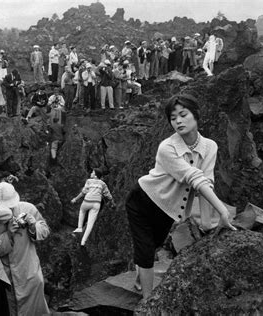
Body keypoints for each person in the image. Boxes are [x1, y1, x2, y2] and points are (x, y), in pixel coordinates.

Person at [126, 93, 237, 299]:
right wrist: (222, 211)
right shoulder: (167, 147)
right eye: (173, 117)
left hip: (168, 209)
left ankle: (141, 277)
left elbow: (207, 181)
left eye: (183, 115)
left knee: (156, 243)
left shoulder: (210, 146)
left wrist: (206, 222)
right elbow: (194, 178)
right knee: (146, 248)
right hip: (143, 201)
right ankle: (147, 303)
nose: (178, 121)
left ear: (196, 115)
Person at [0, 182, 50, 316]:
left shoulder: (27, 208)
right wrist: (8, 234)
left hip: (29, 273)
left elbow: (45, 231)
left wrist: (33, 226)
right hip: (5, 278)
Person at [71, 168, 115, 246]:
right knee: (90, 223)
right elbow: (108, 195)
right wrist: (113, 203)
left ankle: (79, 228)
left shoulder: (89, 181)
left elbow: (83, 192)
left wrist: (75, 199)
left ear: (95, 175)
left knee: (82, 211)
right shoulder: (103, 184)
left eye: (92, 172)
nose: (91, 173)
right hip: (96, 203)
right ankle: (83, 242)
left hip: (87, 201)